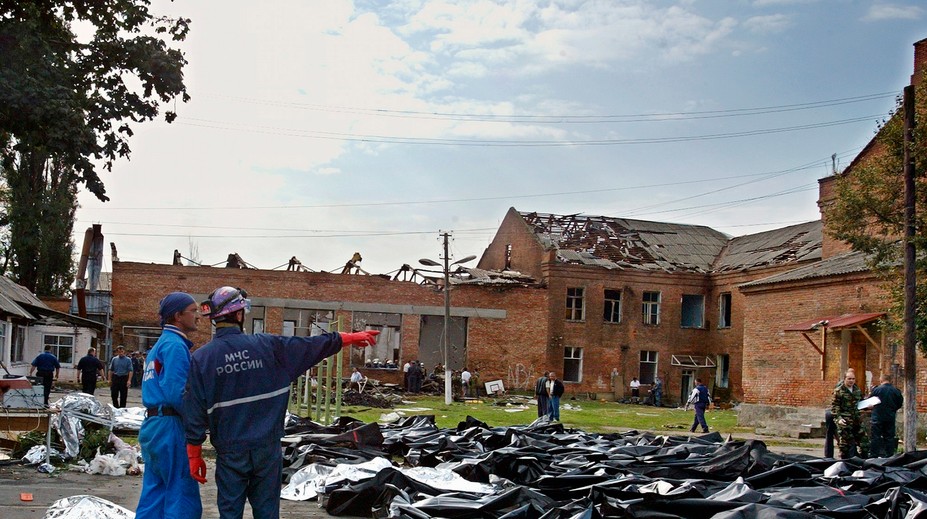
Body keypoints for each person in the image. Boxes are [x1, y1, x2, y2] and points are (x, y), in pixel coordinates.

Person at [183, 286, 379, 519]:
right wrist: (348, 338)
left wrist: (194, 452)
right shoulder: (269, 347)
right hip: (267, 449)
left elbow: (194, 408)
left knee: (229, 511)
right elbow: (312, 346)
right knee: (266, 511)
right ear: (238, 315)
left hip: (230, 451)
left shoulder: (202, 359)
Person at [135, 292, 203, 519]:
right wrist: (198, 423)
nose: (198, 316)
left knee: (155, 494)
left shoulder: (158, 346)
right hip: (171, 426)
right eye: (193, 311)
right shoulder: (175, 346)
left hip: (153, 426)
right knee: (180, 494)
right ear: (177, 315)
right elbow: (179, 394)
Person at [869, 373, 903, 457]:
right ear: (890, 380)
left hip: (877, 417)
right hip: (890, 417)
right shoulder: (896, 391)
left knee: (875, 437)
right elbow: (899, 403)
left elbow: (870, 402)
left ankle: (874, 456)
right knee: (889, 438)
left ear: (881, 380)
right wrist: (893, 410)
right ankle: (889, 456)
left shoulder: (876, 390)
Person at [832, 369, 864, 459]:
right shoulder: (839, 391)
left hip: (856, 419)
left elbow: (860, 402)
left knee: (864, 442)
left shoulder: (857, 390)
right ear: (845, 379)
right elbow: (835, 406)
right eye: (849, 379)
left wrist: (868, 405)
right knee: (846, 444)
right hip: (845, 420)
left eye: (853, 379)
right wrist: (839, 418)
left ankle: (862, 461)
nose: (851, 381)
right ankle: (844, 461)